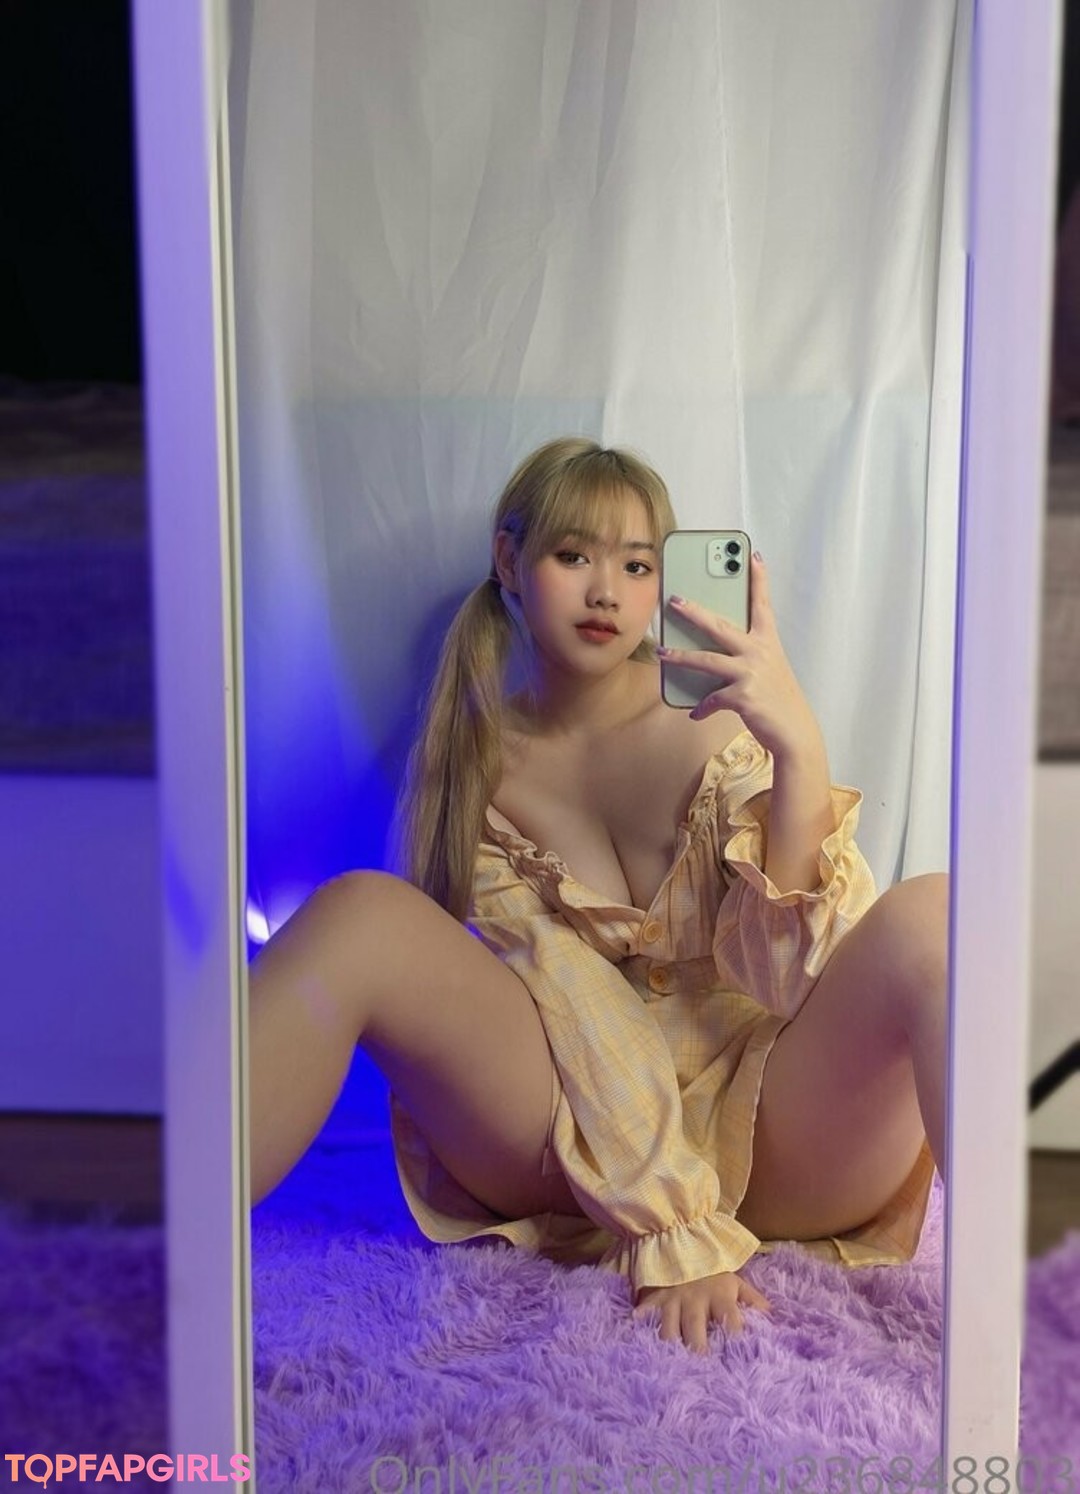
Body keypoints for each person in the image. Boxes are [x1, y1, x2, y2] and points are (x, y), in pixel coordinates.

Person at [248, 436, 947, 1356]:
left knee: (937, 915)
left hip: (775, 1138)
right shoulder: (474, 767)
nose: (606, 592)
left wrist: (798, 749)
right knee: (359, 915)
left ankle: (1001, 1328)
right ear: (510, 562)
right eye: (574, 555)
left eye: (638, 565)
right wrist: (673, 1226)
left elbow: (789, 979)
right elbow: (574, 1002)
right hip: (568, 1151)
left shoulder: (717, 730)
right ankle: (167, 1260)